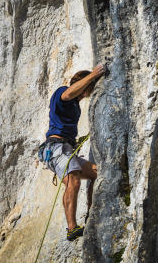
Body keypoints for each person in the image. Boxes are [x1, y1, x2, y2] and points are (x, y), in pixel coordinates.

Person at [44, 63, 105, 241]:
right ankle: (71, 228)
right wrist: (93, 75)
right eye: (87, 88)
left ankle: (90, 217)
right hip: (56, 147)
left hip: (66, 148)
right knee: (74, 181)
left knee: (96, 173)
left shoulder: (76, 107)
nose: (87, 93)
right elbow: (69, 93)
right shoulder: (62, 92)